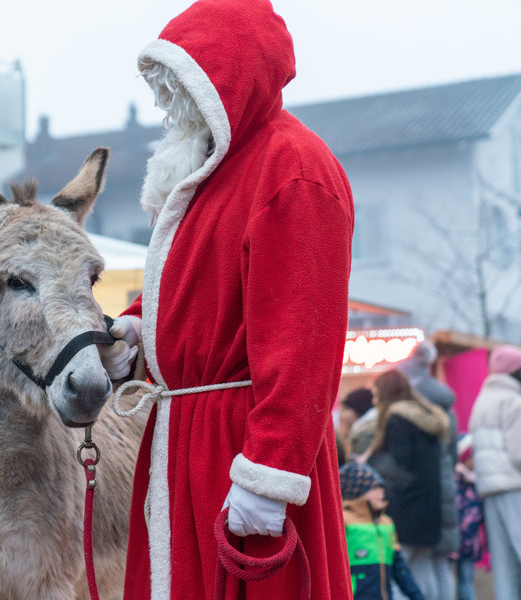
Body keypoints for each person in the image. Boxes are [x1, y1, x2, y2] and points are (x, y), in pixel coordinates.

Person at [98, 0, 354, 597]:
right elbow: (192, 294)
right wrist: (135, 332)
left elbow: (304, 344)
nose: (170, 105)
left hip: (238, 446)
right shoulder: (210, 174)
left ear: (226, 79)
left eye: (182, 85)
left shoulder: (291, 168)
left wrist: (271, 471)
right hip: (184, 436)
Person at [361, 369, 452, 600]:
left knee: (403, 575)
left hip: (407, 507)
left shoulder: (397, 418)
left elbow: (399, 464)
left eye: (376, 393)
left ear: (386, 392)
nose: (374, 400)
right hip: (430, 506)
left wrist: (369, 462)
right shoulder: (425, 417)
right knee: (424, 569)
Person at [399, 341, 460, 600]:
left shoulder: (412, 408)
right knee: (441, 563)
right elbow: (454, 450)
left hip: (424, 487)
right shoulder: (447, 408)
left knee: (420, 564)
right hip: (446, 483)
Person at [468, 344, 521, 600]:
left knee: (503, 564)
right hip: (514, 485)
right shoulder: (514, 400)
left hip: (489, 489)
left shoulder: (483, 400)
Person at [340, 461, 425, 600]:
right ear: (358, 491)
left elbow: (400, 568)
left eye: (382, 488)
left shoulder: (386, 524)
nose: (382, 492)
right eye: (375, 488)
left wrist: (417, 596)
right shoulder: (344, 521)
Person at [452, 434, 485, 600]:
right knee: (455, 580)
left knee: (465, 580)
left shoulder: (477, 481)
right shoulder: (456, 480)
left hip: (468, 542)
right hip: (456, 539)